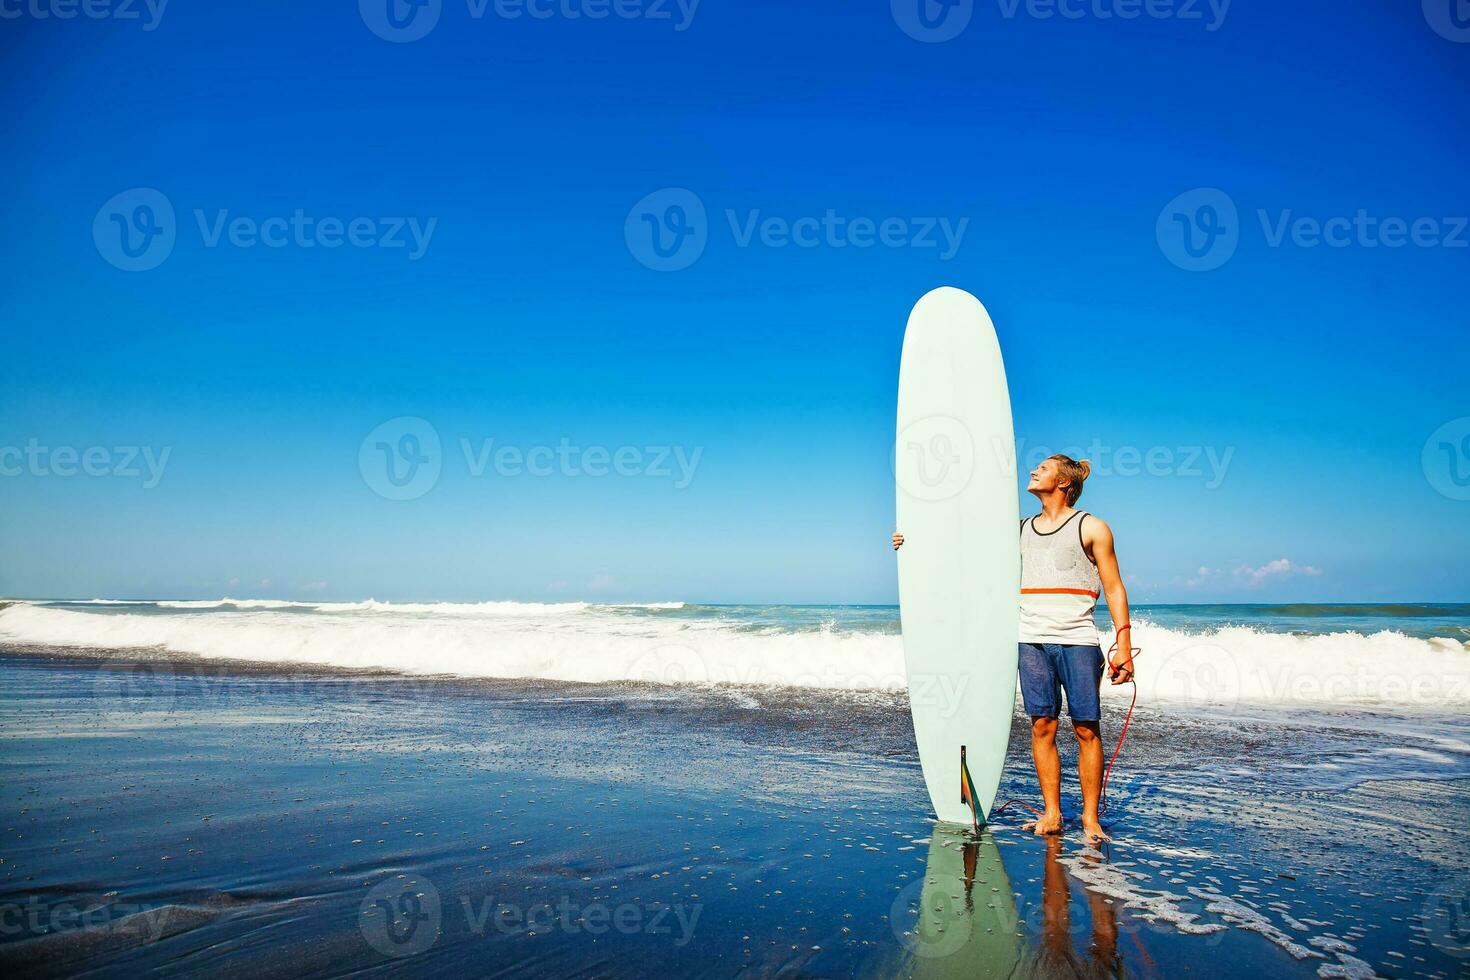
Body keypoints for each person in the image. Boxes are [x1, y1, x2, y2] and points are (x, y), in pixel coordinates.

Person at [892, 453, 1134, 844]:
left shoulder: (1091, 527)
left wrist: (1124, 642)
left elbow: (1114, 586)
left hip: (1077, 638)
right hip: (1030, 638)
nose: (1034, 470)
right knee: (1042, 726)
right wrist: (911, 542)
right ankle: (1052, 813)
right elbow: (962, 549)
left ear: (1064, 482)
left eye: (1044, 467)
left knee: (1086, 728)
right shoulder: (1019, 529)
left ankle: (1090, 819)